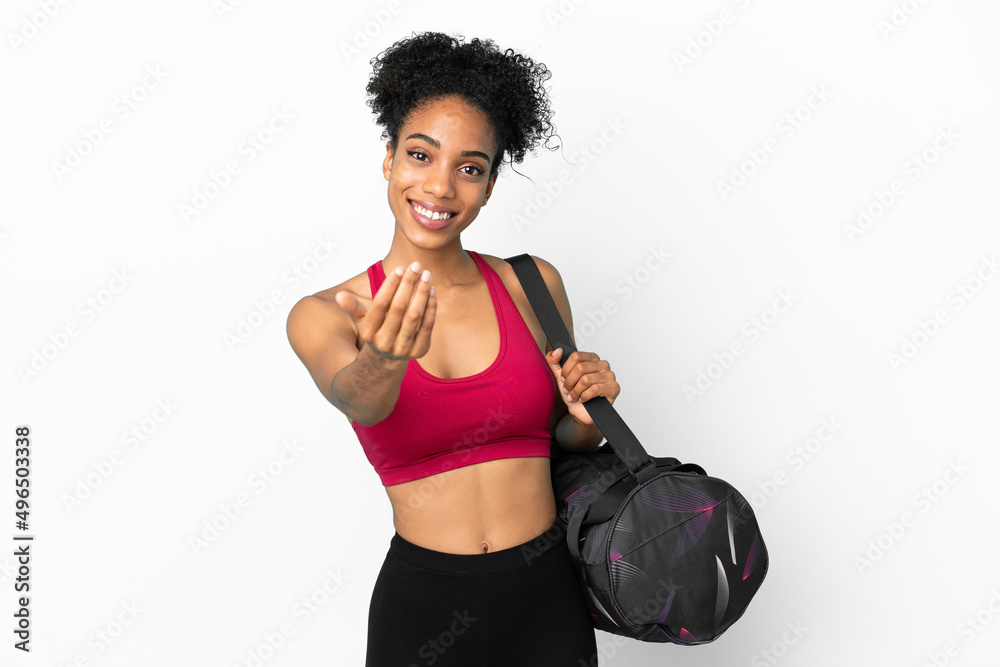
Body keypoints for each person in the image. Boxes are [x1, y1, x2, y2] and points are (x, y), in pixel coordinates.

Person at [286, 31, 619, 666]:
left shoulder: (534, 286)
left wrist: (587, 417)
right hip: (426, 607)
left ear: (490, 184)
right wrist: (384, 357)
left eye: (470, 167)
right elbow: (357, 399)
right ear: (388, 159)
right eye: (420, 155)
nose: (440, 188)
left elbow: (560, 445)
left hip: (549, 596)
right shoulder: (325, 314)